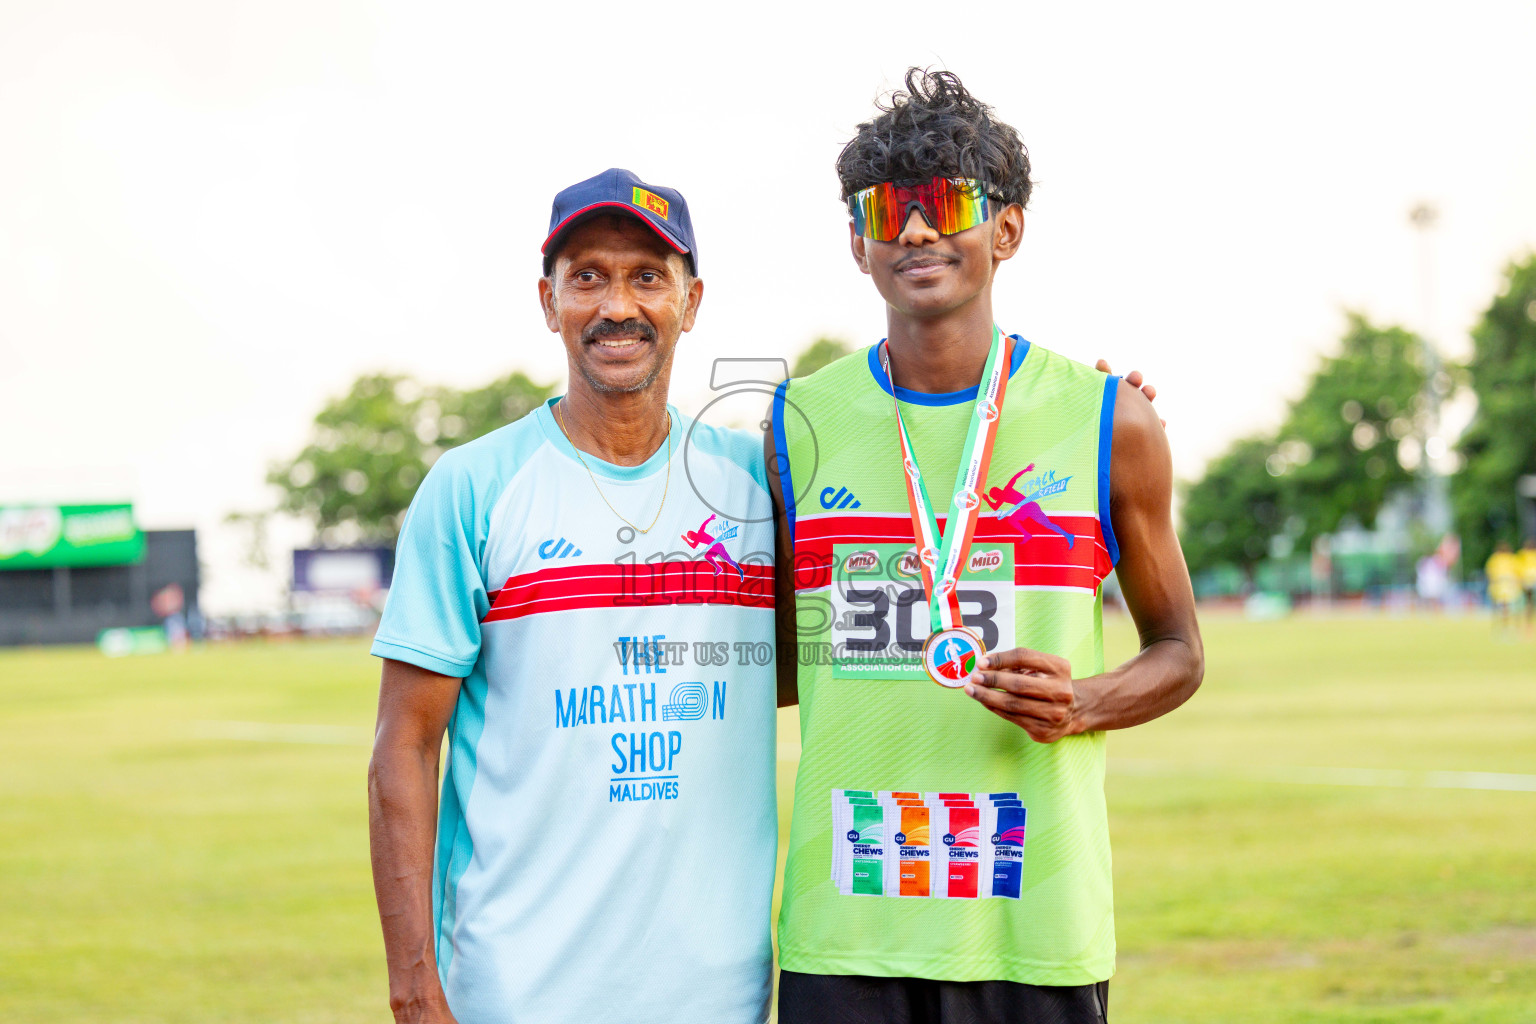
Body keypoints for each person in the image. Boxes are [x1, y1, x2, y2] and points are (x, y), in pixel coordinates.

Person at [767, 69, 1204, 1023]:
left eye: (944, 203)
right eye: (888, 210)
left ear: (1005, 230)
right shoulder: (790, 424)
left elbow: (1180, 653)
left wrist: (1083, 702)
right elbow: (777, 666)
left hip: (1031, 927)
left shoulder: (1109, 420)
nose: (916, 231)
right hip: (846, 929)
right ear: (858, 243)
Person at [367, 169, 778, 1024]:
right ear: (549, 301)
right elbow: (403, 748)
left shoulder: (758, 485)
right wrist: (413, 991)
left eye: (646, 276)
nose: (616, 304)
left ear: (691, 301)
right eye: (587, 275)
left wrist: (1116, 438)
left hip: (718, 994)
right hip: (513, 993)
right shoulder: (473, 487)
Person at [1486, 540, 1522, 631]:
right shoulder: (1510, 558)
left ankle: (1502, 627)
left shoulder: (1496, 558)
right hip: (1506, 587)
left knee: (1503, 609)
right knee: (1508, 609)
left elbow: (1490, 573)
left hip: (1503, 587)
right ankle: (1506, 627)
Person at [1518, 536, 1536, 632]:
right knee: (1529, 604)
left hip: (1526, 582)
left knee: (1528, 604)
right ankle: (1527, 624)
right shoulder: (1524, 555)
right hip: (1528, 583)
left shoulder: (1522, 554)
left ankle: (1527, 624)